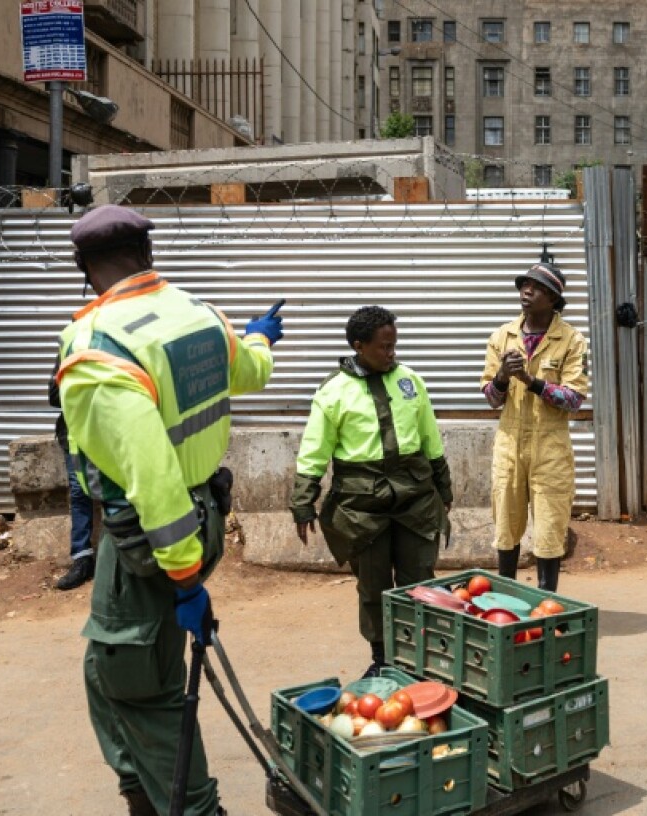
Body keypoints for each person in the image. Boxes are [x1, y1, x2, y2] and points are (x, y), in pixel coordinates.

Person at [56, 204, 280, 816]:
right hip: (197, 517)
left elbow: (151, 477)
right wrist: (259, 335)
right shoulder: (199, 313)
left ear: (82, 267)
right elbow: (250, 373)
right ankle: (141, 791)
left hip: (155, 538)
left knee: (144, 687)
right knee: (106, 669)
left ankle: (195, 809)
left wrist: (184, 578)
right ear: (148, 254)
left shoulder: (98, 347)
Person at [290, 306, 453, 678]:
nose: (391, 353)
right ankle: (382, 659)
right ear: (358, 346)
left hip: (415, 498)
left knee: (419, 581)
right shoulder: (333, 391)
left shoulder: (410, 380)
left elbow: (429, 436)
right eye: (383, 347)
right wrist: (303, 501)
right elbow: (314, 450)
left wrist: (443, 485)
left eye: (394, 345)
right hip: (361, 506)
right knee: (374, 586)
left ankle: (420, 659)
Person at [480, 261, 589, 592]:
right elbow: (491, 399)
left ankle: (546, 602)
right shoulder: (502, 337)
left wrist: (531, 381)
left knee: (549, 527)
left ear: (553, 299)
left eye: (537, 288)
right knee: (506, 524)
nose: (527, 291)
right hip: (509, 445)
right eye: (524, 285)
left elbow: (574, 399)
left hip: (550, 449)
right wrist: (502, 376)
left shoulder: (571, 340)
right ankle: (506, 599)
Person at [49, 363, 95, 591]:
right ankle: (82, 558)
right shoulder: (68, 352)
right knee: (79, 492)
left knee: (121, 492)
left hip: (110, 431)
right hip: (75, 435)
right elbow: (53, 396)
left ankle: (126, 555)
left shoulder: (113, 348)